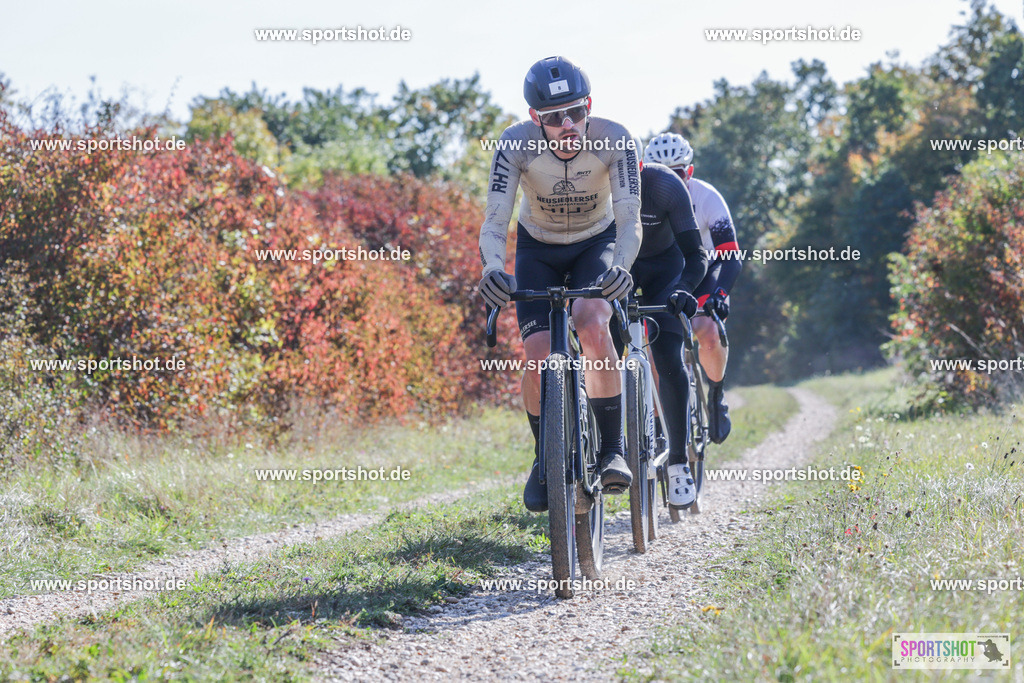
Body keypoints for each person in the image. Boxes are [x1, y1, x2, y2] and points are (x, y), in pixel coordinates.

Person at [477, 56, 642, 512]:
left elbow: (630, 219)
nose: (567, 124)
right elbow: (495, 220)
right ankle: (543, 456)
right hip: (538, 247)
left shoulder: (616, 139)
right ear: (535, 118)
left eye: (575, 112)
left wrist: (622, 266)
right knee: (537, 357)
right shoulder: (515, 143)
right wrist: (492, 269)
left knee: (591, 323)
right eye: (553, 118)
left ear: (589, 106)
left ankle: (612, 450)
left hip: (597, 242)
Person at [613, 147, 708, 508]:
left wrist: (684, 288)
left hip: (665, 270)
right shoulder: (595, 184)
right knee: (603, 352)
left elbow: (696, 254)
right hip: (620, 268)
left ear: (641, 168)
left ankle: (679, 462)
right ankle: (609, 448)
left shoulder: (666, 185)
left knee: (668, 358)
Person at [644, 133, 742, 443]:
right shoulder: (641, 196)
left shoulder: (708, 198)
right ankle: (662, 423)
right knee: (654, 346)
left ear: (690, 171)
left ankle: (715, 395)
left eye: (678, 173)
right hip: (664, 276)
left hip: (703, 272)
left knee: (708, 330)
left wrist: (720, 296)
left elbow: (730, 257)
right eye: (663, 172)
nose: (671, 180)